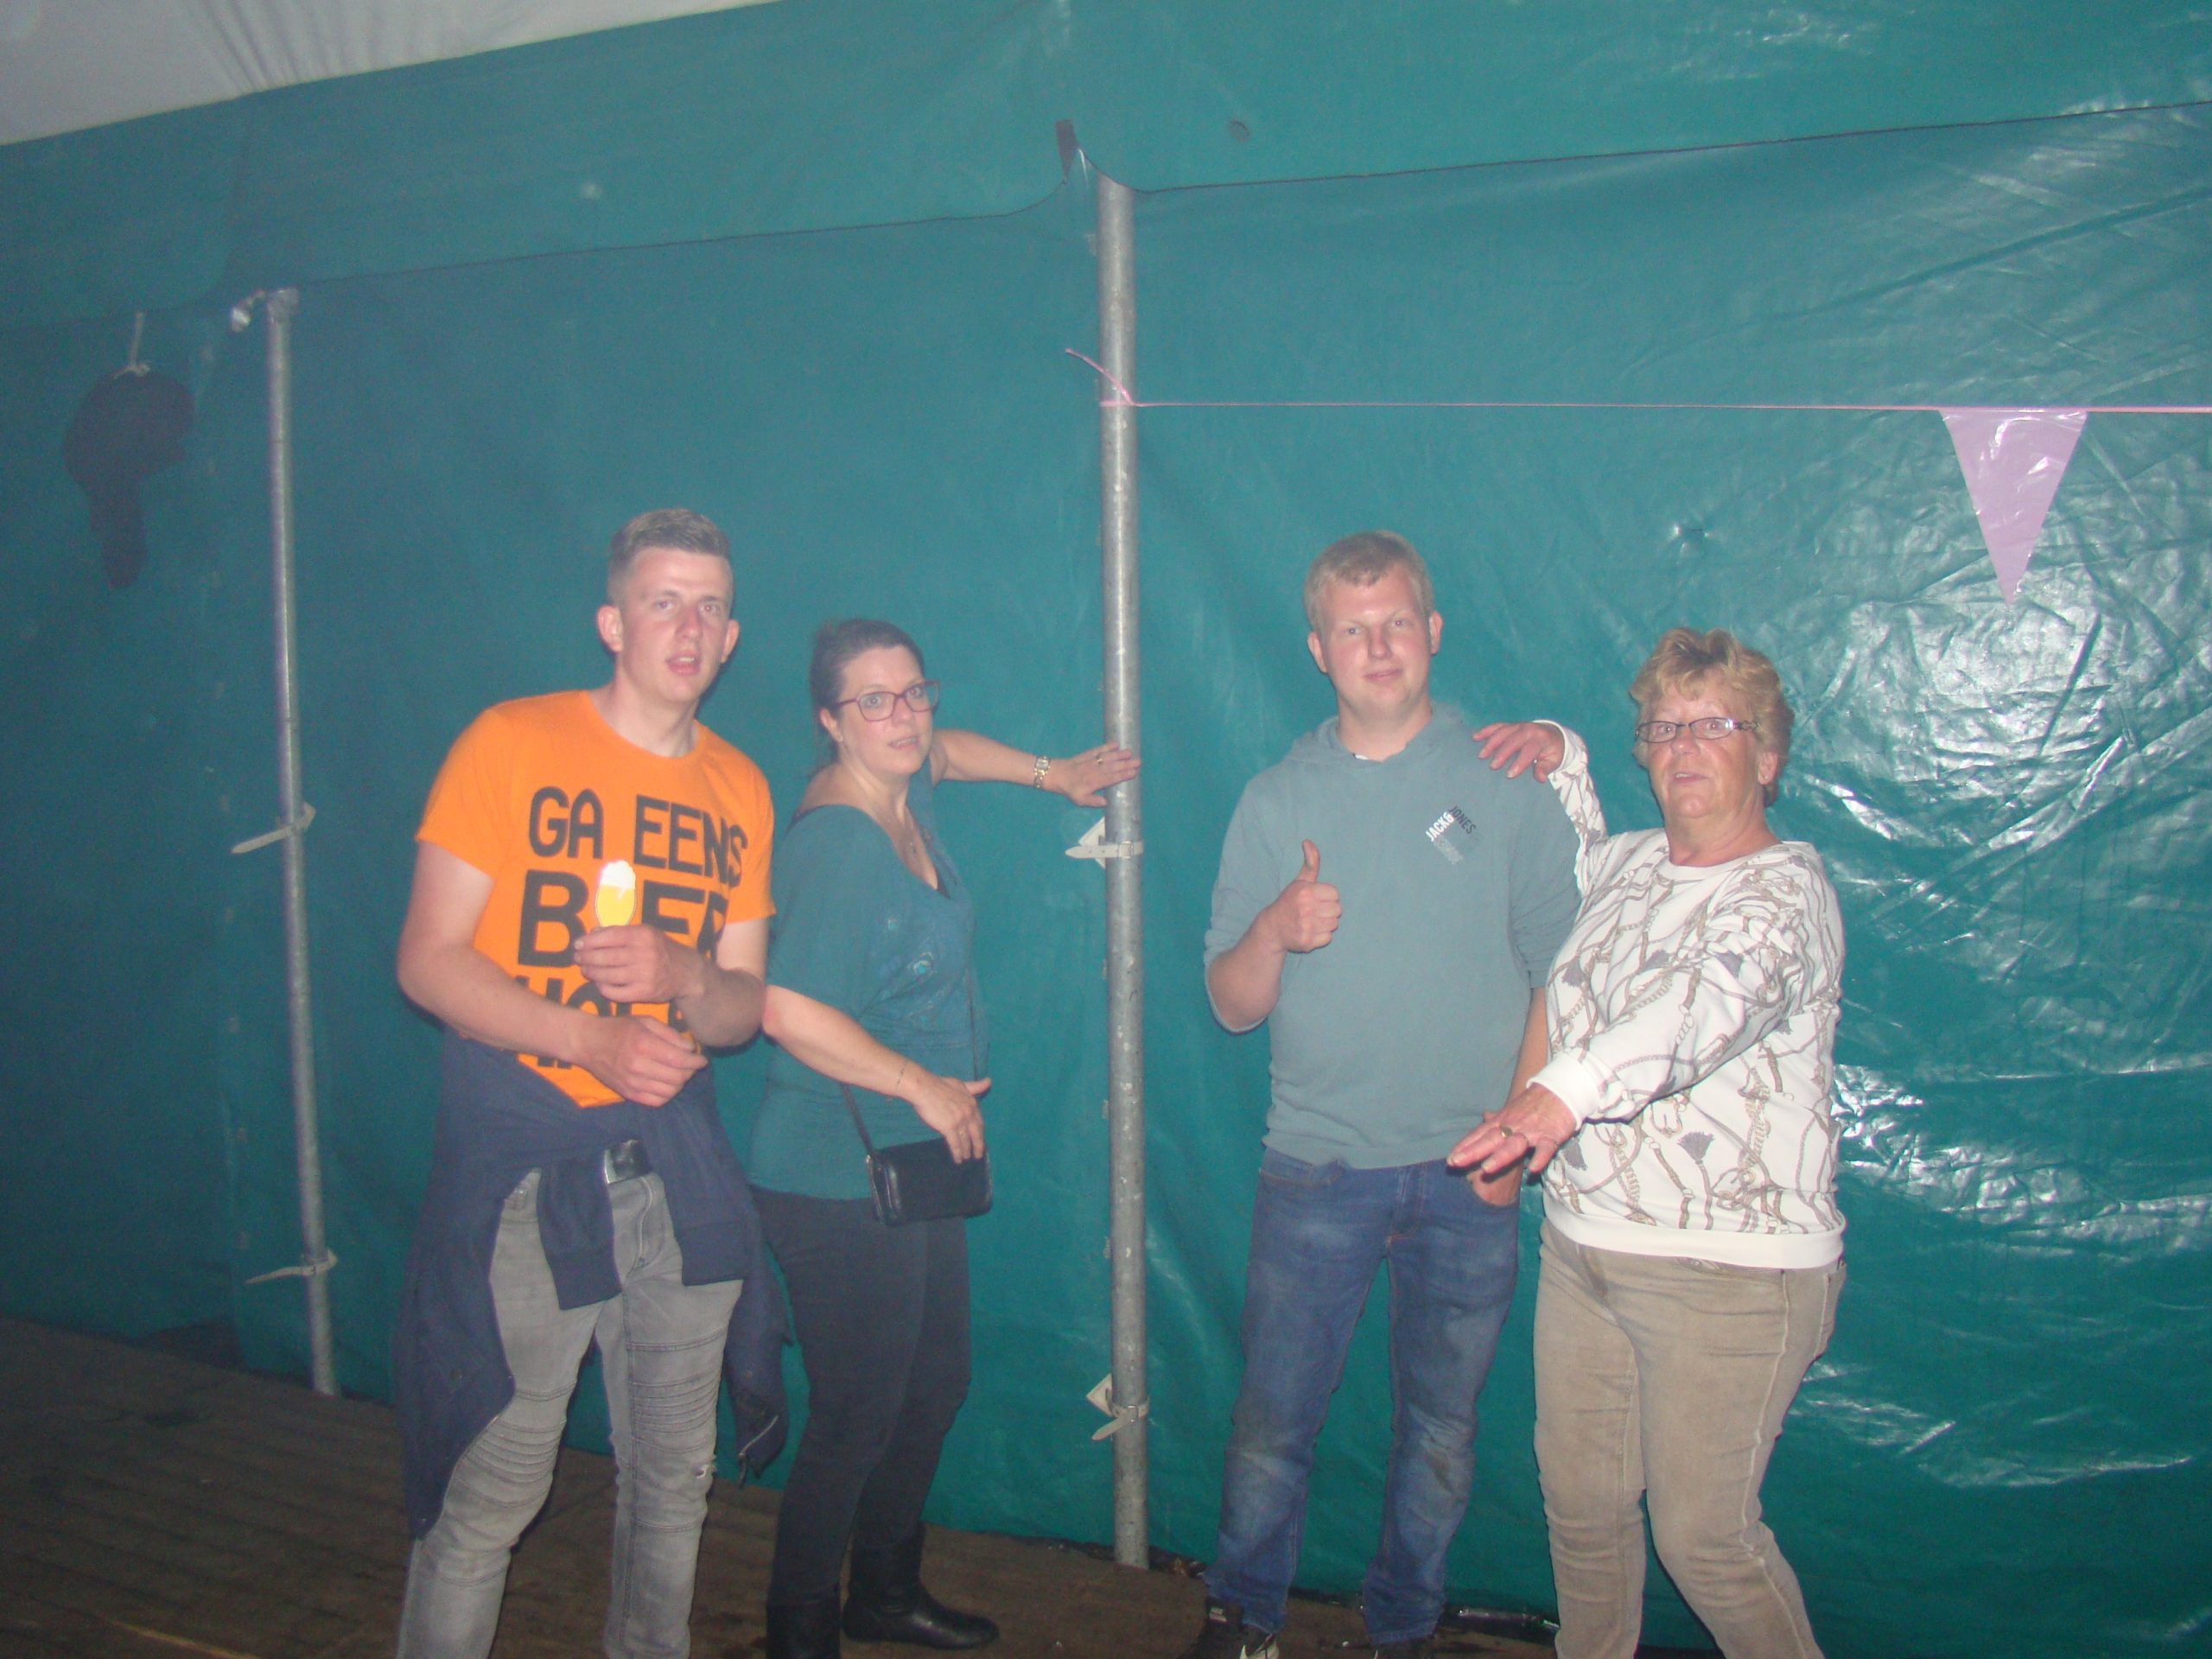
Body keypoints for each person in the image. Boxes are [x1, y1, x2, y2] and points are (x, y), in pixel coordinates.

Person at [390, 508, 777, 1659]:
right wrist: (587, 1039)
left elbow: (741, 1008)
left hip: (676, 1174)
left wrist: (683, 974)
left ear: (732, 636)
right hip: (531, 1170)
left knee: (673, 1483)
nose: (689, 627)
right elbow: (427, 962)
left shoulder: (740, 787)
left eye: (710, 607)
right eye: (664, 601)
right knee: (494, 1491)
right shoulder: (512, 742)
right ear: (613, 622)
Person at [1186, 531, 1581, 1659]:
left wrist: (1515, 1138)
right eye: (1352, 628)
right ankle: (1242, 1618)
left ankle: (1402, 1630)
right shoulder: (1276, 800)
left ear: (1433, 632)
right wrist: (1275, 929)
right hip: (1317, 1170)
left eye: (1396, 621)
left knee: (1442, 1434)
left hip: (1468, 1177)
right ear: (1318, 650)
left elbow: (1563, 977)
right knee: (1272, 1426)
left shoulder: (1507, 784)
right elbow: (1229, 1004)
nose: (1377, 646)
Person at [1452, 627, 1846, 1659]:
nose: (1683, 747)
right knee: (1582, 1512)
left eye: (1714, 726)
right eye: (1664, 729)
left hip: (1731, 1275)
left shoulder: (1786, 894)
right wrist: (1562, 753)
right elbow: (1582, 858)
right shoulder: (1628, 864)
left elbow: (1697, 1012)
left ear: (1767, 756)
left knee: (1705, 1540)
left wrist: (1557, 1096)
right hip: (1586, 1250)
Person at [751, 618, 1138, 1659]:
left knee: (931, 1384)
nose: (905, 716)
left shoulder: (903, 784)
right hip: (835, 1170)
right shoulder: (838, 844)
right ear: (830, 721)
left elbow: (951, 751)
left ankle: (882, 1593)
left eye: (914, 692)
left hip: (915, 1155)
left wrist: (1054, 774)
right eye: (874, 701)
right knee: (856, 1414)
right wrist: (920, 1084)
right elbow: (785, 1010)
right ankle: (798, 1632)